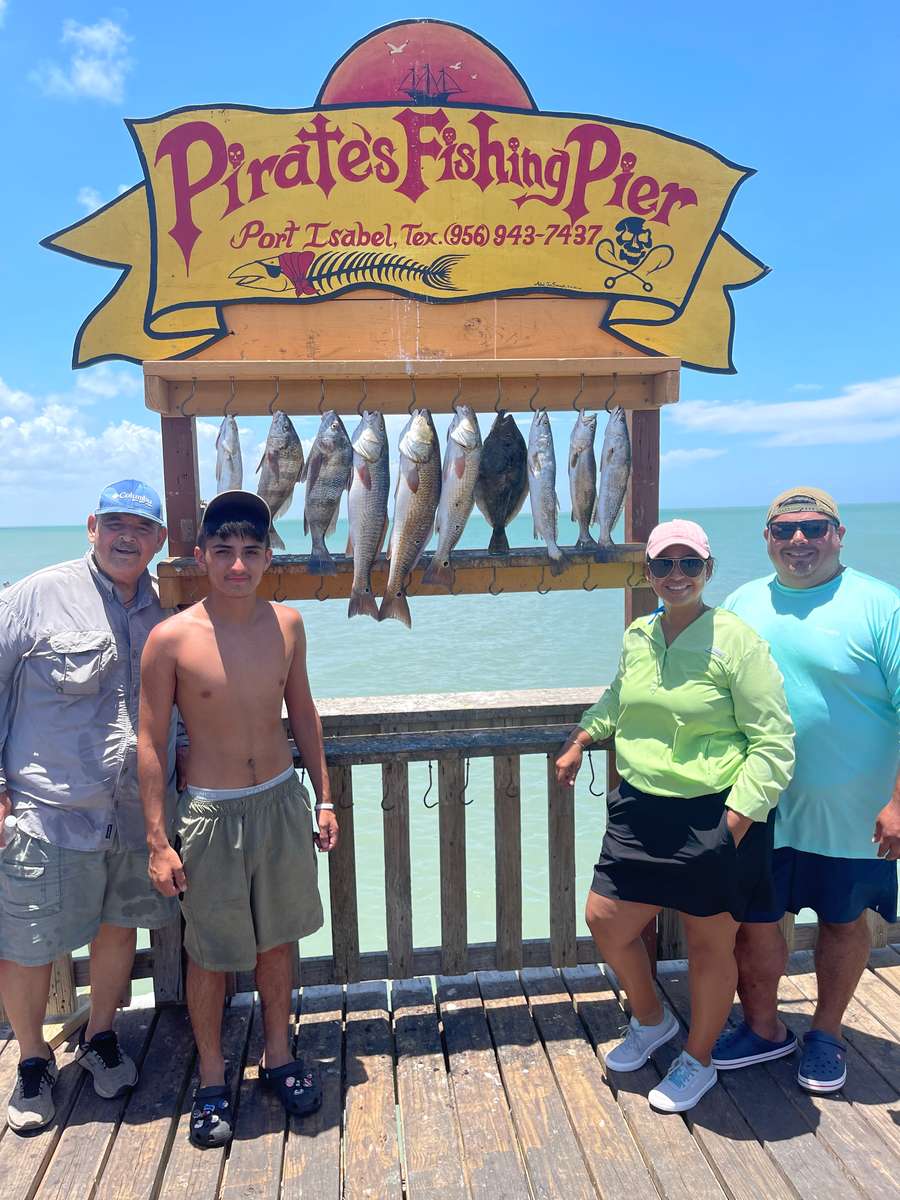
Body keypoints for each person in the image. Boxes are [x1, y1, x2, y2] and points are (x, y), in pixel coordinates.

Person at [556, 519, 795, 1113]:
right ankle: (652, 1019)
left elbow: (774, 742)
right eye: (664, 564)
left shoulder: (736, 640)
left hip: (716, 811)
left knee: (710, 941)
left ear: (708, 571)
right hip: (639, 807)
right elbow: (619, 696)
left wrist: (733, 826)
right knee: (606, 918)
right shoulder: (640, 633)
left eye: (690, 564)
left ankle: (699, 1058)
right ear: (649, 573)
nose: (677, 575)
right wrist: (583, 736)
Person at [138, 489, 338, 1148]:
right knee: (211, 954)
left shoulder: (287, 624)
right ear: (200, 557)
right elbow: (149, 740)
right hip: (210, 814)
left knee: (278, 941)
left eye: (250, 552)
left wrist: (325, 796)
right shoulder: (170, 638)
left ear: (266, 558)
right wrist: (158, 839)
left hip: (281, 801)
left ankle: (278, 1055)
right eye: (222, 551)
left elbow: (303, 714)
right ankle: (214, 1076)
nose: (236, 566)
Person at [0, 480, 180, 1133]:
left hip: (137, 811)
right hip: (47, 810)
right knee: (25, 944)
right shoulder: (36, 594)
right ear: (91, 526)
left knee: (118, 926)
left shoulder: (167, 606)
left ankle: (101, 1034)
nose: (127, 535)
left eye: (142, 525)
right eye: (115, 522)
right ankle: (30, 1059)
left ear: (159, 539)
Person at [713, 487, 900, 1092]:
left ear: (838, 534)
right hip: (762, 808)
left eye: (815, 528)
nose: (800, 541)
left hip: (854, 815)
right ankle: (763, 1027)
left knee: (845, 923)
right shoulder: (741, 603)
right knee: (756, 924)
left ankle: (826, 1033)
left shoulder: (882, 607)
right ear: (766, 538)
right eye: (785, 529)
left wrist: (899, 804)